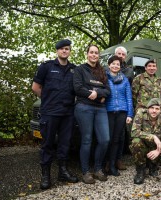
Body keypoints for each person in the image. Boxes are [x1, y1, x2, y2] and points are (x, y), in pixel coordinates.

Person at [32, 39, 78, 190]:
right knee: (48, 144)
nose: (65, 51)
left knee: (65, 143)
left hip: (67, 113)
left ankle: (63, 172)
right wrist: (47, 100)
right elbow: (36, 87)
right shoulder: (47, 67)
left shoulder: (74, 69)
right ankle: (46, 175)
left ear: (69, 51)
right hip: (50, 112)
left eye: (67, 49)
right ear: (57, 51)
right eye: (62, 49)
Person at [73, 44, 110, 184]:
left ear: (98, 56)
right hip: (84, 107)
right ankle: (86, 171)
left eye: (96, 53)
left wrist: (98, 92)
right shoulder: (79, 69)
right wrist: (92, 93)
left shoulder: (102, 71)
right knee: (87, 140)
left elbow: (107, 90)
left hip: (100, 109)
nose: (94, 55)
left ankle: (98, 168)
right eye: (91, 52)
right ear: (87, 54)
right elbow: (78, 88)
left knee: (105, 139)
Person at [130, 98, 161, 184]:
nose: (154, 111)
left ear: (160, 110)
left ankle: (153, 165)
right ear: (148, 108)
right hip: (143, 146)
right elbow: (134, 132)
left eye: (157, 108)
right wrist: (152, 136)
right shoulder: (141, 114)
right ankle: (140, 169)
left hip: (155, 147)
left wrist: (158, 151)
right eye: (152, 108)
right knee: (136, 142)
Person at [105, 55, 134, 176]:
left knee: (116, 140)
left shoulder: (125, 79)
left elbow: (129, 97)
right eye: (113, 64)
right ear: (109, 65)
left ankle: (112, 166)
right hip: (108, 112)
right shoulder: (104, 78)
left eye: (118, 64)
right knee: (108, 139)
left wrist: (130, 114)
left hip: (122, 112)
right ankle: (105, 164)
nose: (115, 66)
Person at [114, 46, 134, 170]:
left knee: (121, 135)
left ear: (125, 57)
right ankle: (109, 160)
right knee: (110, 135)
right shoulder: (106, 68)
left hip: (123, 106)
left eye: (123, 54)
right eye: (118, 54)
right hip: (110, 106)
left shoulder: (129, 71)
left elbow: (127, 89)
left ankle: (119, 159)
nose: (121, 56)